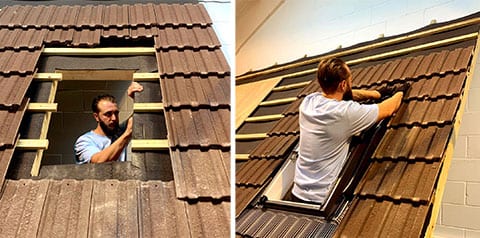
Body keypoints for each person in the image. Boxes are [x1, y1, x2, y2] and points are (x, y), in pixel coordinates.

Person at [292, 58, 409, 205]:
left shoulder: (309, 101)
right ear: (343, 84)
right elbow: (388, 108)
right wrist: (399, 93)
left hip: (297, 193)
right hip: (320, 200)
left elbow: (348, 94)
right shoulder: (343, 113)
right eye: (349, 80)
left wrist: (375, 94)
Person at [74, 82, 144, 164]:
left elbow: (139, 118)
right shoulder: (84, 141)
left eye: (116, 113)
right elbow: (98, 162)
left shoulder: (119, 133)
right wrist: (127, 135)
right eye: (108, 114)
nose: (114, 118)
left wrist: (137, 97)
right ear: (96, 117)